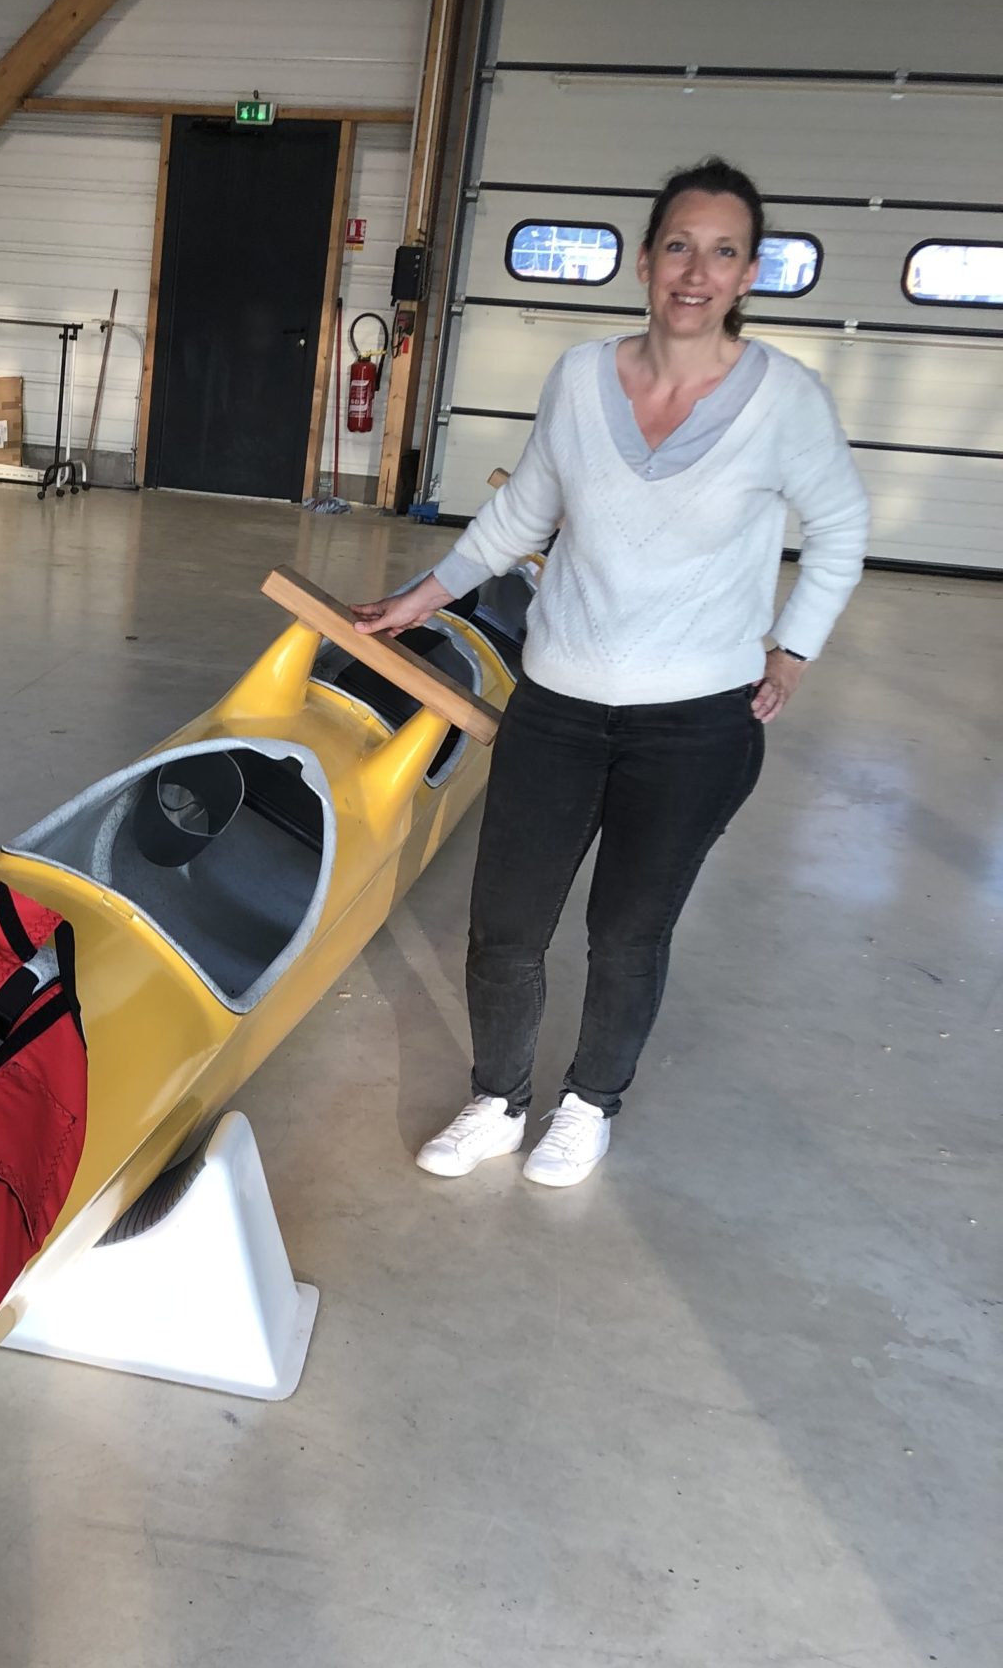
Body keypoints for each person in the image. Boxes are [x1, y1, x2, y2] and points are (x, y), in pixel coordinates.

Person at [354, 158, 869, 1188]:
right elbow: (520, 513)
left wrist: (795, 643)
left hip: (696, 725)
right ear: (644, 260)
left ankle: (589, 1102)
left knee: (627, 932)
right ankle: (497, 1099)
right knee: (506, 924)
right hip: (559, 705)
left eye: (723, 252)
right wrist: (421, 597)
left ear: (748, 273)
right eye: (680, 245)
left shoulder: (785, 400)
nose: (697, 270)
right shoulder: (583, 378)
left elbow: (844, 527)